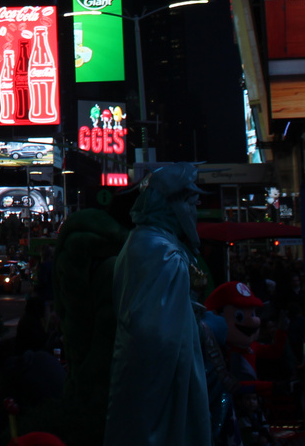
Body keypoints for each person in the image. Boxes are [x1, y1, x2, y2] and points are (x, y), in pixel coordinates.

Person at [104, 163, 211, 446]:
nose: (194, 211)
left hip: (141, 373)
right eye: (190, 202)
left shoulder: (144, 242)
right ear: (169, 204)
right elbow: (159, 333)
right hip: (159, 381)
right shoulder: (161, 251)